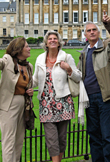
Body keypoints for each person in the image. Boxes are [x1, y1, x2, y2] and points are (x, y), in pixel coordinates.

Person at [77, 11, 110, 162]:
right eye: (89, 30)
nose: (92, 32)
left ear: (99, 33)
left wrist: (109, 23)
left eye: (94, 30)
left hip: (106, 97)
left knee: (107, 137)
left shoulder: (108, 46)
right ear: (85, 35)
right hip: (89, 99)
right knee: (94, 136)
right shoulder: (84, 52)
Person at [32, 31, 81, 162]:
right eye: (50, 39)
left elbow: (78, 77)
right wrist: (23, 83)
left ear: (59, 42)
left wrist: (69, 69)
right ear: (46, 43)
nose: (52, 40)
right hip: (46, 104)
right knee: (51, 139)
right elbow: (35, 80)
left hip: (63, 103)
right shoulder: (40, 59)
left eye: (55, 39)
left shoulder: (66, 57)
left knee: (61, 138)